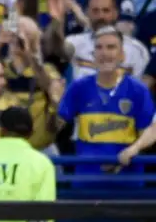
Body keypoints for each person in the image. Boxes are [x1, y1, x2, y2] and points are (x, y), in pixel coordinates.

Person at [58, 26, 155, 187]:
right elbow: (57, 126)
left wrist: (133, 149)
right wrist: (53, 101)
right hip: (86, 182)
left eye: (111, 47)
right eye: (99, 47)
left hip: (128, 183)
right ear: (93, 55)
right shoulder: (78, 87)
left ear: (122, 55)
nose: (104, 53)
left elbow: (152, 130)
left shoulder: (138, 90)